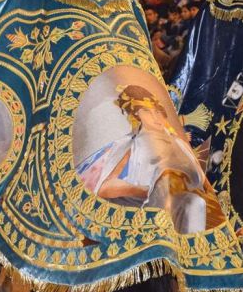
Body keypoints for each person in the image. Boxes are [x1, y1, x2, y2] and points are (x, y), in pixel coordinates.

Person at [75, 85, 207, 233]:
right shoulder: (131, 145)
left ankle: (191, 252)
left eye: (157, 112)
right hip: (137, 205)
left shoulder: (177, 143)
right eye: (147, 111)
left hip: (171, 199)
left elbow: (199, 180)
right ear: (137, 114)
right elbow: (105, 188)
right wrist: (147, 190)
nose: (155, 118)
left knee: (195, 203)